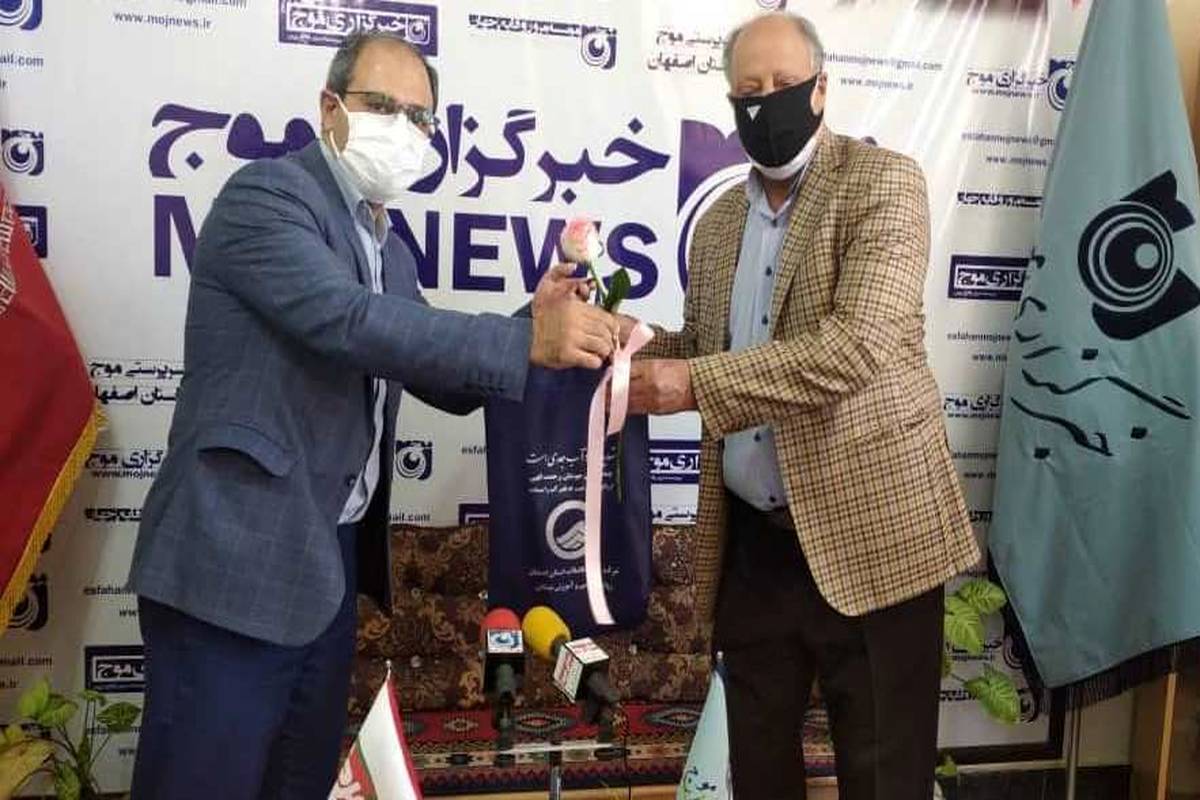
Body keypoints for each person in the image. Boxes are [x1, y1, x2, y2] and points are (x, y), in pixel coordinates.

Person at [126, 31, 618, 799]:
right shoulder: (267, 197)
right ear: (330, 108)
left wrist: (536, 318)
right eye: (382, 105)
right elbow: (349, 322)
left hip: (324, 577)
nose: (404, 128)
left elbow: (439, 376)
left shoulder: (389, 247)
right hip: (231, 567)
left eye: (419, 118)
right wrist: (528, 341)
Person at [627, 12, 980, 799]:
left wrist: (692, 384)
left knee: (885, 778)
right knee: (757, 773)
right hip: (755, 551)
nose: (766, 102)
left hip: (875, 537)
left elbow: (855, 347)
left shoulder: (882, 184)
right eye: (748, 90)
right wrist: (626, 346)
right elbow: (707, 348)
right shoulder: (719, 224)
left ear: (821, 89)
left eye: (784, 84)